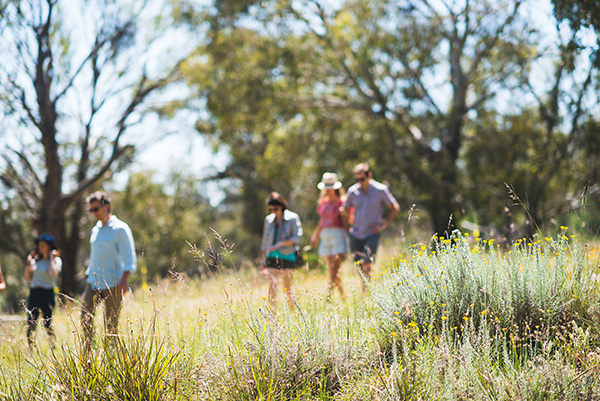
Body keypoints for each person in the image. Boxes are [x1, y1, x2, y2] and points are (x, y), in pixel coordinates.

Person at [81, 191, 136, 344]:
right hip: (93, 281)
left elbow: (128, 255)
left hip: (113, 282)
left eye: (96, 209)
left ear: (107, 206)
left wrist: (124, 280)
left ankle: (111, 358)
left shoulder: (120, 229)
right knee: (85, 317)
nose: (93, 213)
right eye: (90, 210)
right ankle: (87, 355)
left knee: (111, 324)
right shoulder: (95, 229)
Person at [342, 163, 399, 289]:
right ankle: (365, 285)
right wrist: (347, 220)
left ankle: (366, 290)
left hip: (372, 233)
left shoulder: (380, 190)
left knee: (367, 262)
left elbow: (394, 207)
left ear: (369, 176)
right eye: (357, 179)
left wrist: (383, 225)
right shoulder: (352, 191)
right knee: (358, 264)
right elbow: (344, 209)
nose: (360, 182)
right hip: (355, 233)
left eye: (362, 179)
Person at [260, 192, 303, 309]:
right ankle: (272, 315)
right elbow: (265, 241)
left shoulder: (292, 218)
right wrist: (262, 260)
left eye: (276, 208)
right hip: (271, 255)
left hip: (287, 254)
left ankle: (292, 313)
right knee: (272, 286)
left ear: (282, 206)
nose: (273, 211)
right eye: (270, 209)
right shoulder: (268, 220)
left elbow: (297, 238)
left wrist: (280, 244)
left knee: (287, 288)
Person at [310, 172, 349, 300]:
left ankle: (328, 296)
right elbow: (321, 221)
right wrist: (315, 236)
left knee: (334, 268)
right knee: (333, 269)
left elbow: (347, 221)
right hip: (325, 236)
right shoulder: (323, 203)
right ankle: (343, 296)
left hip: (338, 235)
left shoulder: (342, 202)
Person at [24, 233, 62, 346]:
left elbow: (52, 274)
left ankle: (52, 345)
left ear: (49, 247)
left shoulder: (56, 261)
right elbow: (27, 278)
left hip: (48, 293)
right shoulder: (35, 260)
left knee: (47, 322)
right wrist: (28, 262)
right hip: (34, 292)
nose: (40, 247)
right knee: (31, 322)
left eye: (43, 245)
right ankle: (31, 347)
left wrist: (51, 258)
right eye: (39, 245)